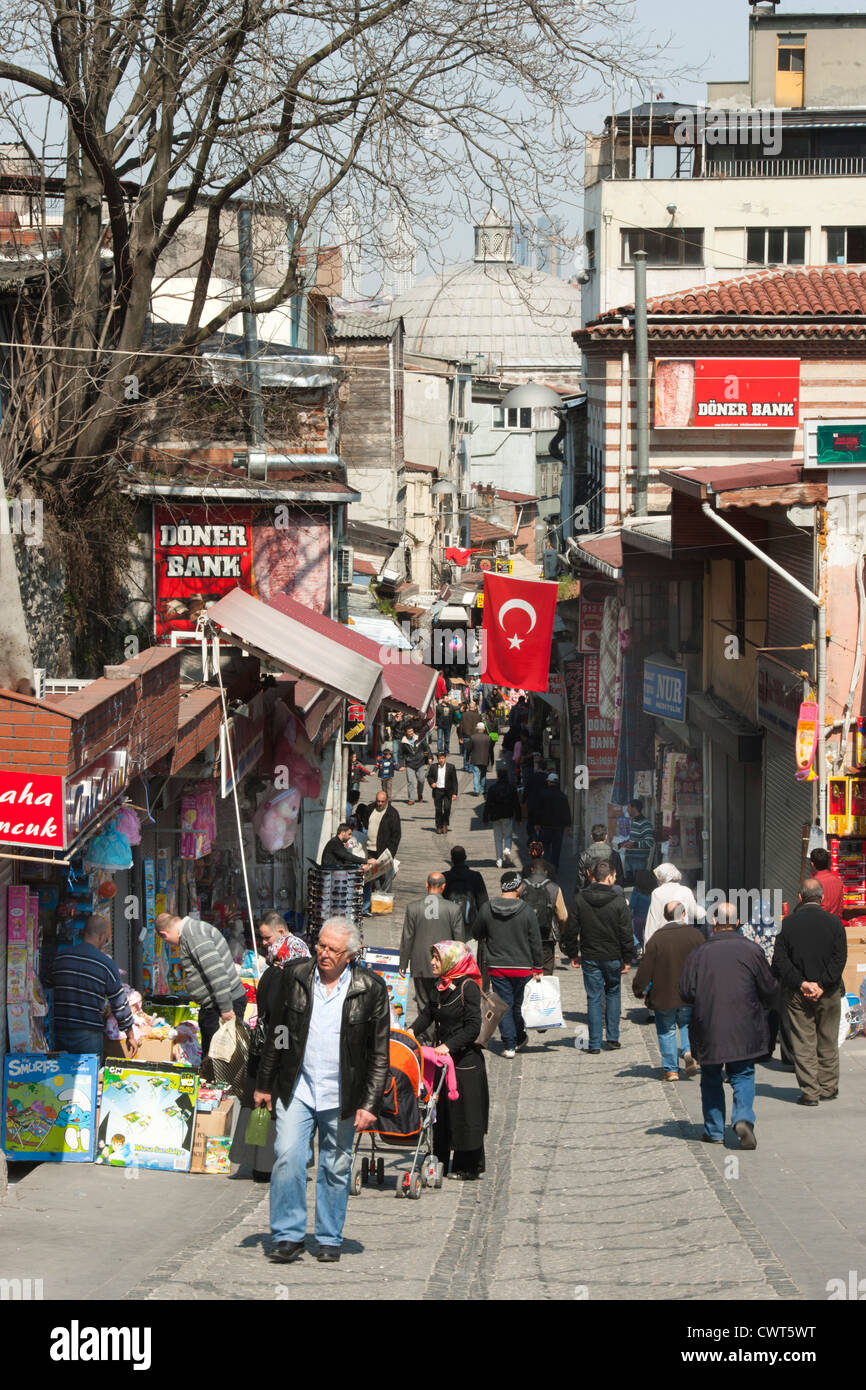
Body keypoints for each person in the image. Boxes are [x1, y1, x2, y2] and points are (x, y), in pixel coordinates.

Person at [254, 917, 389, 1264]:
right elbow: (278, 1031)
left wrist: (370, 1103)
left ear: (350, 954)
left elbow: (378, 1051)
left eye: (332, 949)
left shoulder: (370, 987)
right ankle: (288, 1234)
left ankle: (329, 1236)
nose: (323, 953)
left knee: (335, 1166)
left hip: (342, 1093)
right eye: (321, 945)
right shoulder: (296, 976)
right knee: (287, 1156)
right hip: (297, 1086)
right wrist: (265, 1083)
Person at [680, 902, 777, 1149]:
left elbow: (686, 992)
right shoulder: (752, 950)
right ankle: (743, 1118)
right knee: (743, 1074)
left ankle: (714, 1130)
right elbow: (769, 988)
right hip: (745, 1025)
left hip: (709, 1025)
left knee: (711, 1076)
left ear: (714, 924)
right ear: (737, 923)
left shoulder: (699, 953)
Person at [233, 915, 311, 1182]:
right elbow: (281, 1020)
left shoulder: (276, 973)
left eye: (267, 938)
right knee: (268, 1105)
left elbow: (276, 1018)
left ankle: (259, 1161)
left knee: (262, 1105)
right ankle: (263, 1163)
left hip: (269, 1049)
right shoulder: (288, 974)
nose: (264, 943)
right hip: (276, 1049)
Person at [408, 941, 489, 1179]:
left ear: (451, 961)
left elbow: (473, 1027)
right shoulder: (439, 985)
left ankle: (468, 1166)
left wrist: (449, 1045)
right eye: (432, 957)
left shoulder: (468, 987)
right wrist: (411, 1032)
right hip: (443, 1063)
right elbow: (428, 1015)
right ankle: (440, 1158)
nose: (432, 962)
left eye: (437, 958)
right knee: (440, 1111)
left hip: (466, 1061)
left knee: (466, 1113)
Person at [772, 878, 848, 1105]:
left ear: (800, 897)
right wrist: (823, 983)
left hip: (797, 992)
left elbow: (780, 961)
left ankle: (810, 1092)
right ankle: (828, 1087)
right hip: (829, 991)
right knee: (828, 1039)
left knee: (803, 1041)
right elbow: (839, 959)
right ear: (822, 897)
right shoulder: (835, 924)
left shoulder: (788, 924)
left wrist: (802, 983)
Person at [563, 861, 633, 1053]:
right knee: (613, 993)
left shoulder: (580, 899)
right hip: (612, 956)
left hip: (590, 955)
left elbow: (571, 929)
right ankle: (612, 1037)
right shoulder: (619, 901)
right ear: (609, 877)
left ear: (593, 876)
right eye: (615, 876)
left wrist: (572, 953)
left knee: (593, 998)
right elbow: (626, 933)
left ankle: (594, 1043)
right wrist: (628, 959)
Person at [155, 912, 247, 1056]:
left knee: (220, 1059)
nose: (172, 945)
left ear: (164, 934)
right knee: (213, 1058)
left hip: (222, 1004)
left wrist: (226, 1008)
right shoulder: (191, 932)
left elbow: (216, 972)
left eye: (167, 941)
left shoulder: (193, 935)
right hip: (216, 1004)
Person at [473, 871, 543, 1058]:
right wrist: (538, 966)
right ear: (518, 887)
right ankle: (517, 1038)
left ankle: (511, 1043)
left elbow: (476, 933)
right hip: (523, 967)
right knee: (518, 1006)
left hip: (498, 966)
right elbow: (535, 940)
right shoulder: (526, 910)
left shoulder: (487, 908)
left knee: (503, 1005)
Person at [632, 902, 703, 1080]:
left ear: (665, 916)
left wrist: (639, 988)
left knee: (666, 1030)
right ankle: (688, 1052)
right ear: (684, 914)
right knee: (687, 1024)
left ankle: (671, 1069)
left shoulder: (657, 938)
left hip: (664, 995)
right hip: (690, 993)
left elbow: (646, 967)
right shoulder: (696, 936)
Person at [52, 915, 137, 1058]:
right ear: (102, 936)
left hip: (59, 1032)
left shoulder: (61, 958)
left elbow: (48, 984)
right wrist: (130, 1034)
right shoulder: (106, 964)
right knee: (89, 1077)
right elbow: (119, 1004)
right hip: (88, 1036)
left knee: (61, 1077)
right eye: (106, 939)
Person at [399, 873, 465, 1024]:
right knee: (446, 1001)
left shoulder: (413, 907)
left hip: (420, 961)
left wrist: (403, 963)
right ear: (443, 887)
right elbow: (459, 941)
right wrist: (460, 966)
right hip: (445, 963)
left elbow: (407, 937)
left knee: (423, 1003)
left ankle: (427, 1039)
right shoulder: (453, 909)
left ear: (426, 885)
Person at [518, 844, 567, 975]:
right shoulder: (555, 888)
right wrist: (561, 934)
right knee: (546, 972)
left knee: (527, 970)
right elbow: (563, 916)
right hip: (547, 936)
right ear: (546, 871)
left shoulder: (521, 887)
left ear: (531, 870)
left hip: (526, 936)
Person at [644, 861, 705, 946]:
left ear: (661, 878)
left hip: (663, 939)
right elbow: (696, 913)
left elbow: (653, 922)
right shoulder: (686, 891)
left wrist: (647, 948)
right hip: (683, 938)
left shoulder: (657, 892)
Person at [354, 790, 402, 893]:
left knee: (386, 877)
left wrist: (391, 853)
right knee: (373, 877)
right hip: (371, 849)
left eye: (382, 801)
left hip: (385, 851)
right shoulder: (370, 808)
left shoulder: (392, 814)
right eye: (378, 801)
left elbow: (396, 836)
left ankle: (385, 899)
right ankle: (377, 897)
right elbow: (365, 821)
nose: (380, 803)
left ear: (387, 800)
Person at [443, 845, 489, 936]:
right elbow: (483, 903)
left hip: (450, 928)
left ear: (452, 859)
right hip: (471, 927)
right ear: (465, 858)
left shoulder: (445, 877)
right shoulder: (475, 876)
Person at [534, 772, 572, 871]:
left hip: (545, 827)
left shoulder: (542, 794)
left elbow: (538, 810)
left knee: (545, 848)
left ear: (549, 782)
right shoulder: (562, 796)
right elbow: (566, 811)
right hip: (558, 828)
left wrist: (537, 823)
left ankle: (545, 867)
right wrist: (568, 825)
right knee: (556, 850)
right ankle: (554, 867)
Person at [484, 766, 521, 867]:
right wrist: (518, 817)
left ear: (498, 776)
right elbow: (516, 804)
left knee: (498, 838)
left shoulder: (492, 788)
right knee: (508, 836)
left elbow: (488, 804)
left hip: (495, 816)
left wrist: (485, 818)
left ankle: (499, 860)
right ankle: (507, 850)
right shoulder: (512, 788)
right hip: (508, 815)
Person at [577, 824, 624, 889]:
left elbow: (581, 880)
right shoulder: (614, 854)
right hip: (610, 892)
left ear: (592, 836)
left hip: (591, 892)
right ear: (606, 836)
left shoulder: (584, 855)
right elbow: (619, 878)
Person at [808, 848, 845, 918]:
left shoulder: (812, 883)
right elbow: (840, 909)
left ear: (812, 864)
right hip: (835, 923)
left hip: (819, 924)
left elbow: (810, 909)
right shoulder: (838, 881)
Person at [427, 751, 458, 834]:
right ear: (437, 759)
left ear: (445, 758)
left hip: (447, 791)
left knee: (447, 808)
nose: (441, 760)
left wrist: (455, 793)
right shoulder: (433, 767)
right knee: (438, 809)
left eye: (442, 758)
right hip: (437, 790)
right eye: (439, 758)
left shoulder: (451, 767)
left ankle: (445, 824)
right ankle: (439, 826)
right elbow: (429, 777)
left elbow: (454, 781)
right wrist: (432, 783)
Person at [400, 724, 431, 804]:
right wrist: (402, 765)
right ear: (406, 732)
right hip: (409, 763)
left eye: (412, 731)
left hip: (420, 762)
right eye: (409, 731)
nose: (411, 733)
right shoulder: (403, 742)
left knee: (421, 780)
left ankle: (419, 794)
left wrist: (429, 757)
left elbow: (427, 748)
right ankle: (411, 799)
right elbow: (400, 754)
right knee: (410, 781)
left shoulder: (418, 738)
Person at [629, 868, 656, 959]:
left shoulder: (637, 891)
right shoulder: (653, 891)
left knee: (637, 937)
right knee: (649, 936)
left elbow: (632, 905)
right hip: (650, 917)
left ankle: (637, 954)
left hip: (638, 918)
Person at [468, 722, 493, 796]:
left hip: (475, 759)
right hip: (485, 759)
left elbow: (469, 748)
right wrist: (491, 759)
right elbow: (490, 750)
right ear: (484, 729)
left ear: (476, 729)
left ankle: (476, 790)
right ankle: (482, 789)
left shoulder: (473, 737)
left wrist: (467, 757)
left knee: (476, 774)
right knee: (483, 775)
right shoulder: (488, 738)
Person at [459, 700, 482, 771]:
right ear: (475, 707)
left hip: (466, 736)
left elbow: (461, 726)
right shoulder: (478, 716)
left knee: (466, 752)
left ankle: (466, 767)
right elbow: (480, 727)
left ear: (469, 707)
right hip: (475, 736)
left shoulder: (464, 715)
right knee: (473, 752)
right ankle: (471, 767)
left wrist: (460, 736)